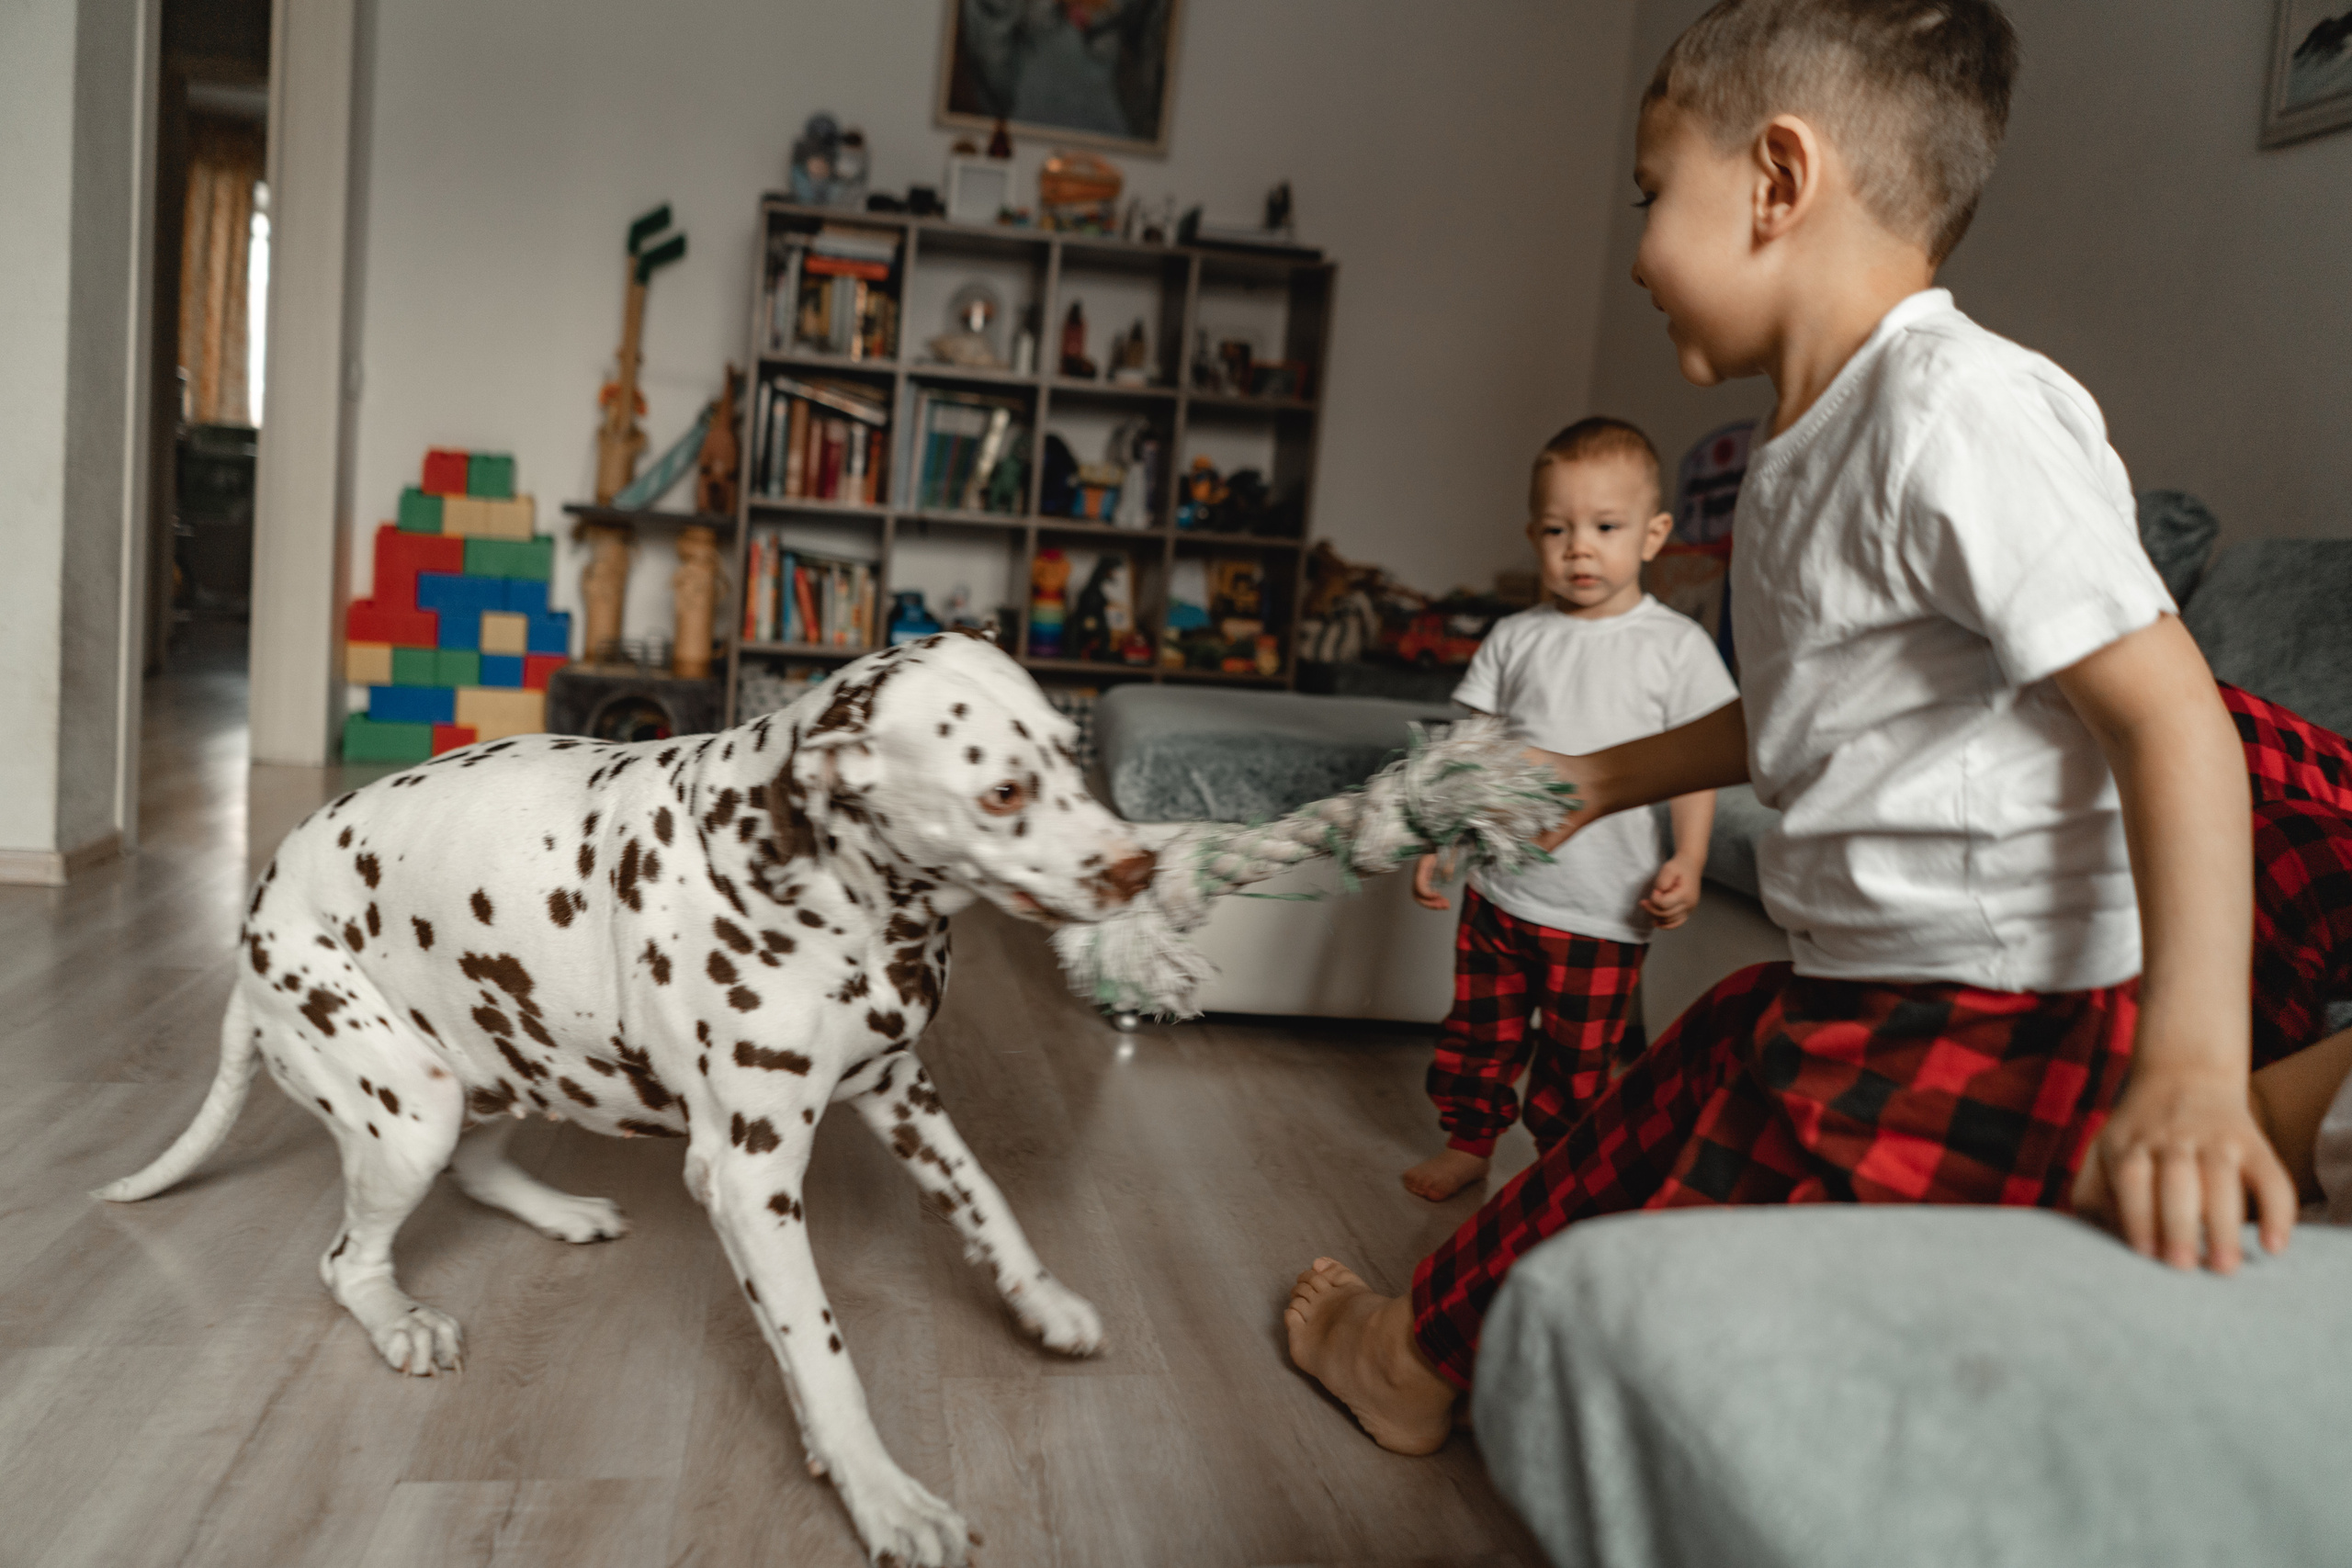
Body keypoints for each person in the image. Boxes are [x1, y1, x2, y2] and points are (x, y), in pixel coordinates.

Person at [1283, 0, 2312, 1458]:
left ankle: (1421, 1354)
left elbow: (2176, 719)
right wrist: (1600, 774)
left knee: (1763, 1267)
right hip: (1865, 978)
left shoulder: (1950, 409)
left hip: (1986, 1003)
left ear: (1776, 180)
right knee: (1695, 1071)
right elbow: (1826, 716)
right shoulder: (1794, 456)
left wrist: (2191, 1074)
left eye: (1652, 194)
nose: (1637, 245)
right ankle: (1424, 1349)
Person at [1403, 418, 1736, 1202]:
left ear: (1654, 535)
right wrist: (1444, 832)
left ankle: (1561, 1164)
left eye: (1605, 527)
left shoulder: (1676, 647)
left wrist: (1687, 857)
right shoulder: (1517, 638)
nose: (1579, 547)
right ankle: (1469, 1140)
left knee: (1578, 1058)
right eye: (1557, 529)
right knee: (1478, 1034)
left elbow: (1699, 767)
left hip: (1603, 907)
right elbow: (1473, 750)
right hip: (1500, 892)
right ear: (1533, 535)